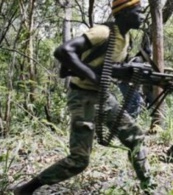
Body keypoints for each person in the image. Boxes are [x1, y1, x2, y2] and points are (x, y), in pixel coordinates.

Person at [14, 1, 156, 194]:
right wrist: (93, 75)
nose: (142, 16)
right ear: (124, 13)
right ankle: (27, 189)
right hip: (82, 96)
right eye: (138, 12)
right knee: (79, 161)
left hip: (103, 96)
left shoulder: (126, 37)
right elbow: (63, 51)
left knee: (136, 136)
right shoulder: (103, 32)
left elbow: (110, 68)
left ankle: (149, 187)